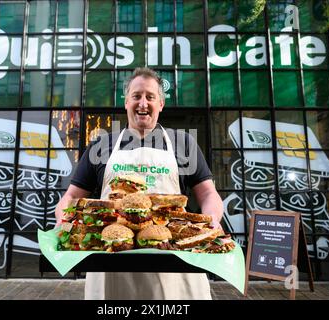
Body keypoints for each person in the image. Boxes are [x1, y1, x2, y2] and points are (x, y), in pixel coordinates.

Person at [55, 67, 224, 300]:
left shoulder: (183, 143)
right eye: (136, 96)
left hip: (172, 258)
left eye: (150, 96)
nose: (142, 103)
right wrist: (63, 221)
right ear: (126, 102)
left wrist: (213, 220)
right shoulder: (101, 146)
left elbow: (207, 194)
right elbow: (72, 197)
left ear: (161, 104)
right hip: (112, 260)